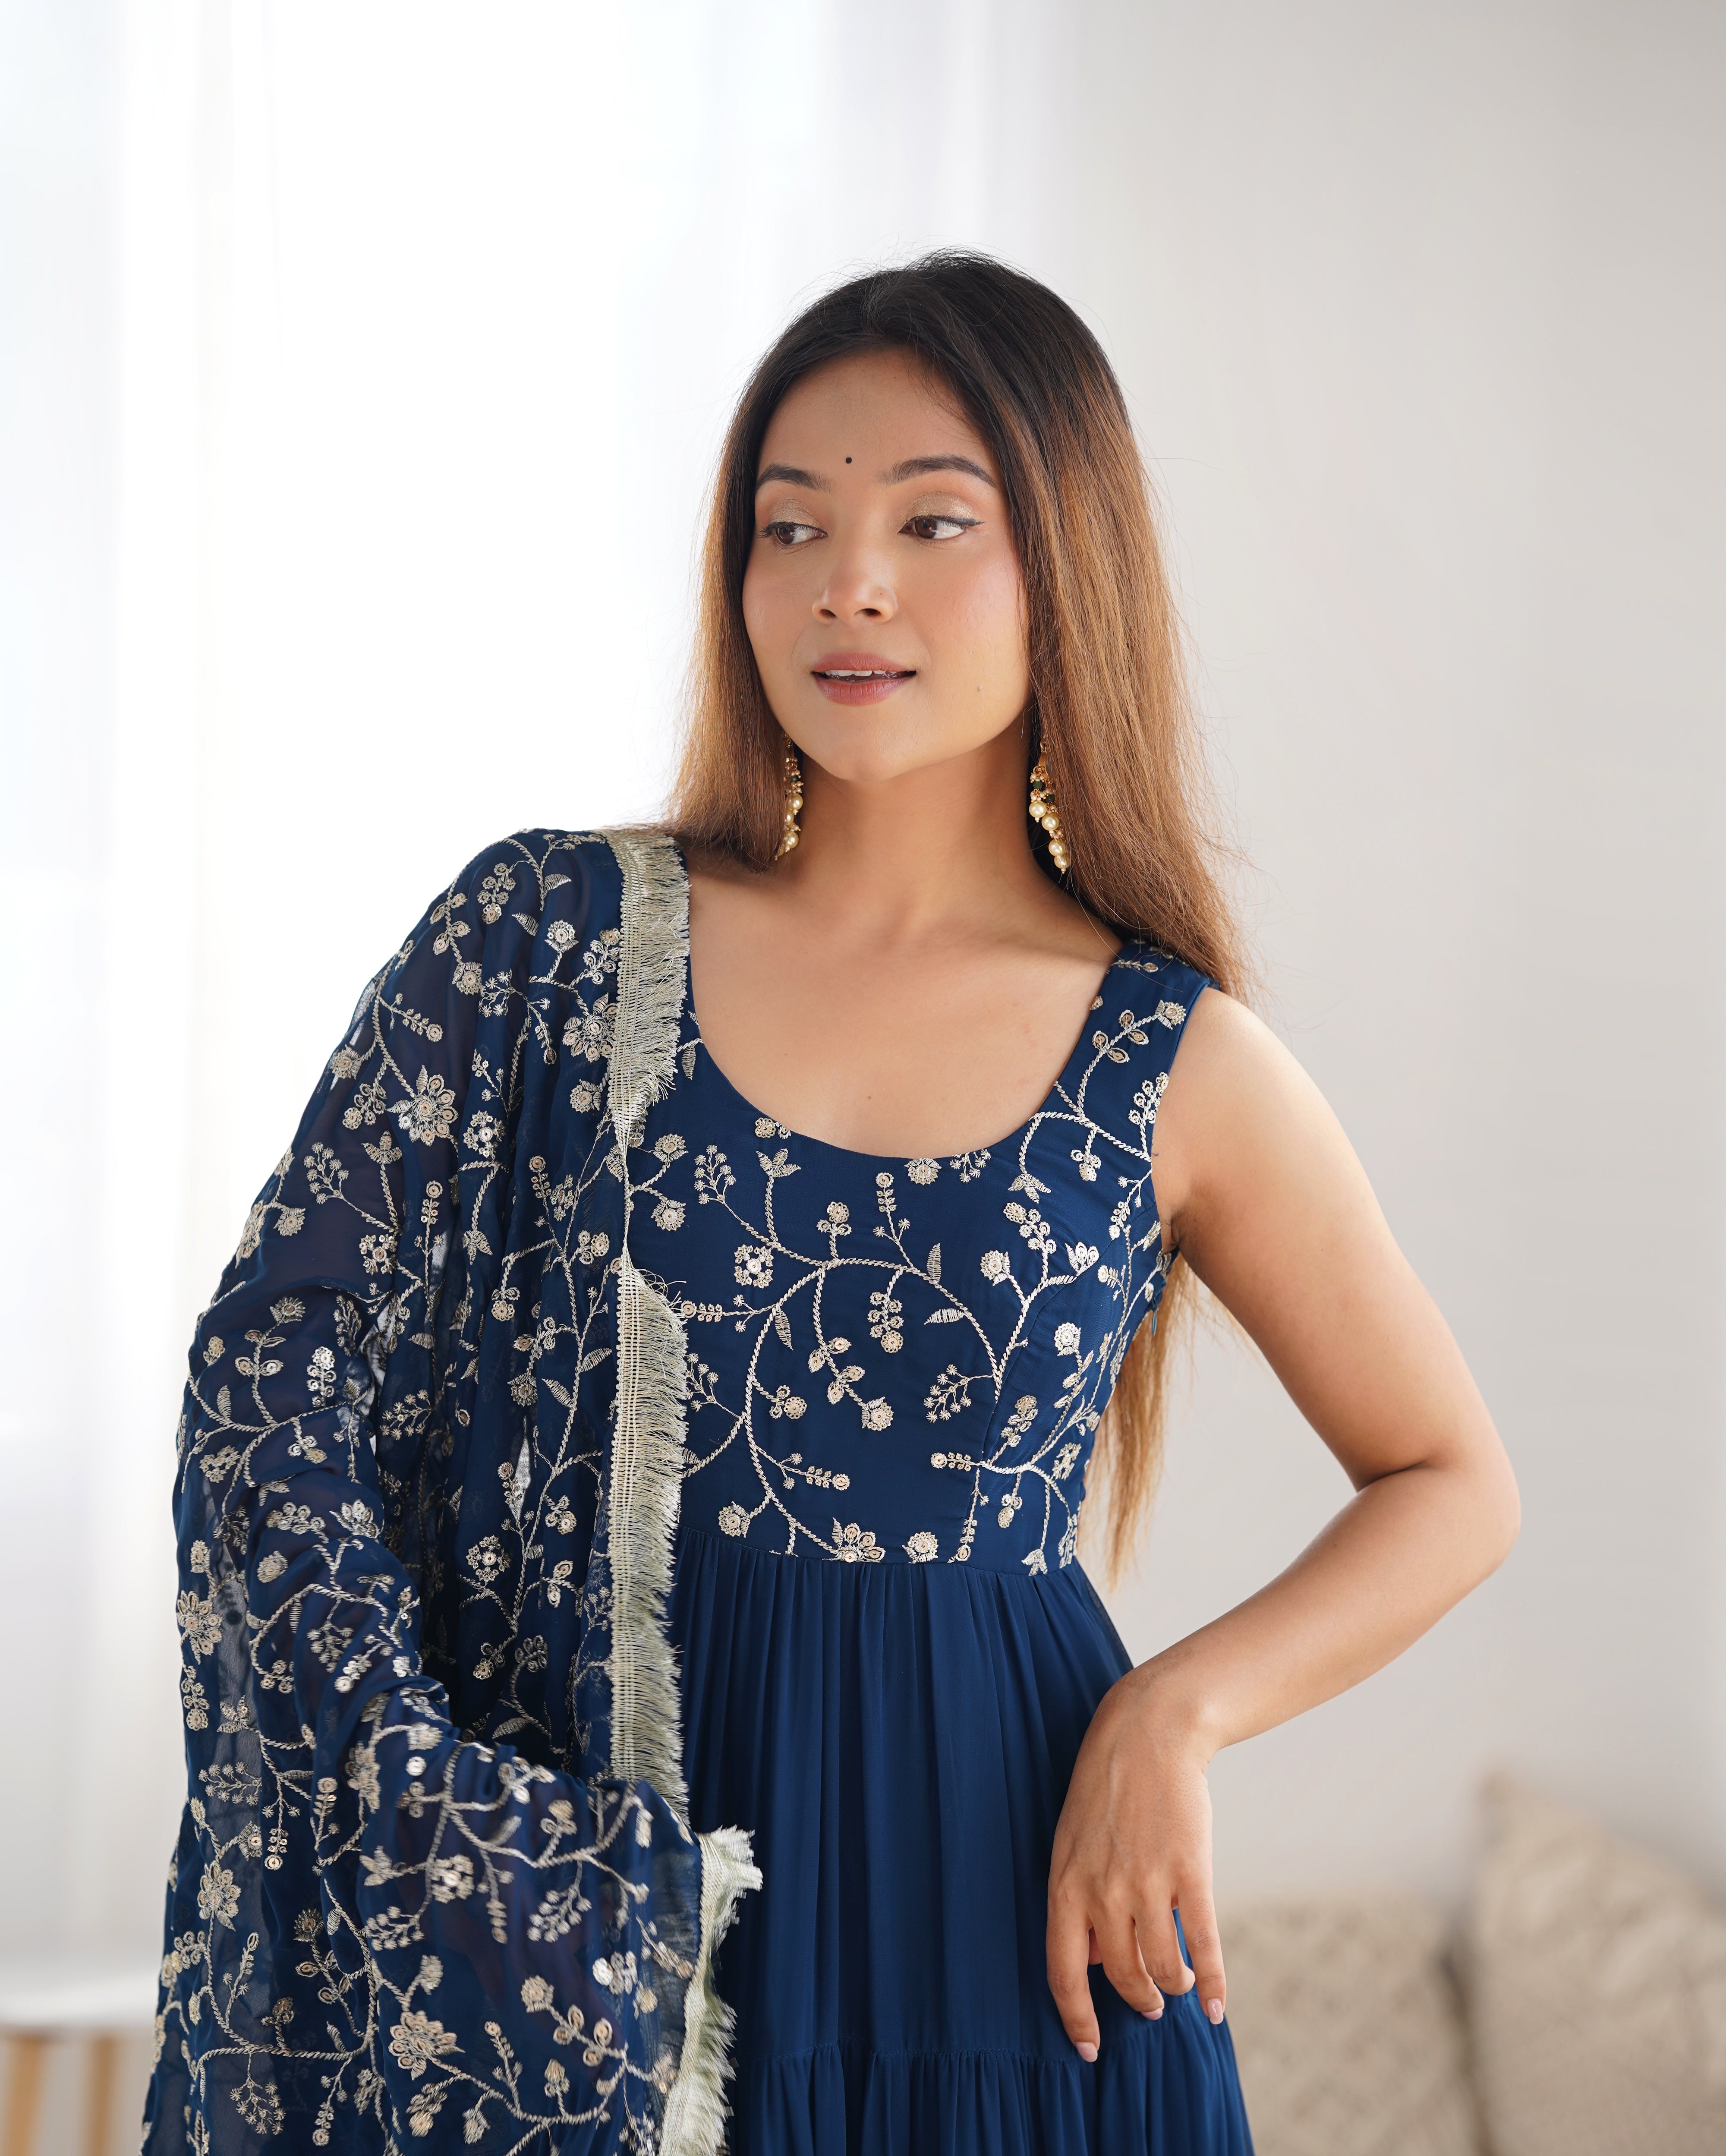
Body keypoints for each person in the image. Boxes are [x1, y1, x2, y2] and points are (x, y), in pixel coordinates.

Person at [146, 253, 1518, 2156]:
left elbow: (1452, 1480)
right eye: (789, 526)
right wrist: (429, 1807)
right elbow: (273, 1365)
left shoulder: (1173, 1059)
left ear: (1067, 564)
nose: (845, 582)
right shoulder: (541, 945)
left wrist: (1175, 1714)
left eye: (931, 522)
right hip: (588, 1951)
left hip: (1026, 1957)